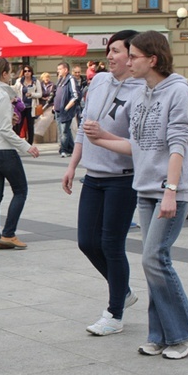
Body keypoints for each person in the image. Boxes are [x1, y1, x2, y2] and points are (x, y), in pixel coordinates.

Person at [84, 30, 188, 359]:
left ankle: (186, 333)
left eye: (133, 56)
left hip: (172, 191)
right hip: (146, 189)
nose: (127, 61)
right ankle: (159, 335)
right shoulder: (143, 95)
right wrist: (101, 138)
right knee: (152, 264)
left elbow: (179, 144)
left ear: (153, 59)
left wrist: (171, 190)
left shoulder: (177, 91)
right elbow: (136, 147)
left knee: (155, 259)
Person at [62, 30, 143, 336]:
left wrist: (104, 139)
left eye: (118, 51)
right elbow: (84, 126)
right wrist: (72, 165)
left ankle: (115, 314)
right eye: (109, 50)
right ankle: (121, 289)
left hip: (122, 179)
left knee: (111, 244)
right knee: (86, 242)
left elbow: (137, 144)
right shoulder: (97, 82)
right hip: (93, 176)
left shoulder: (141, 91)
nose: (110, 56)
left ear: (133, 56)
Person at [0, 58, 40, 252]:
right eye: (10, 71)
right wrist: (26, 146)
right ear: (4, 74)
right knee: (20, 190)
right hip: (3, 150)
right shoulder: (2, 96)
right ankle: (8, 233)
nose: (12, 74)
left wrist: (7, 119)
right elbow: (5, 131)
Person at [53, 62, 79, 157]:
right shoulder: (60, 80)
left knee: (64, 131)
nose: (58, 71)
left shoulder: (71, 79)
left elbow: (75, 96)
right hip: (58, 110)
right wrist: (54, 105)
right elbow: (56, 93)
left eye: (60, 69)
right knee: (64, 131)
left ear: (65, 70)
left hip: (65, 110)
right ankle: (71, 149)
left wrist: (67, 107)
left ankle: (63, 150)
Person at [13, 65, 43, 145]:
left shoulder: (36, 81)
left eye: (29, 71)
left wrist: (32, 94)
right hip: (21, 107)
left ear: (31, 72)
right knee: (18, 124)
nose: (27, 73)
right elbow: (15, 90)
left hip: (31, 107)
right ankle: (17, 142)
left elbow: (40, 94)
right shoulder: (19, 81)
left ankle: (30, 143)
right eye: (25, 71)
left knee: (30, 126)